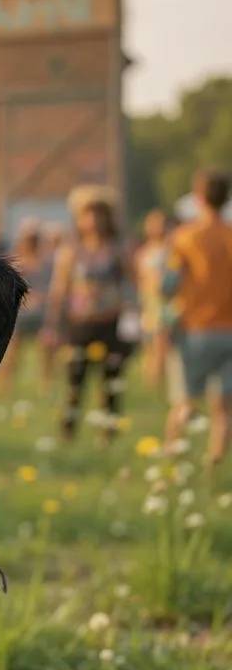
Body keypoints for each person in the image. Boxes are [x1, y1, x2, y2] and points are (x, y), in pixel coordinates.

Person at [46, 196, 131, 441]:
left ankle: (108, 432)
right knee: (75, 380)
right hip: (80, 323)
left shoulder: (117, 249)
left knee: (111, 381)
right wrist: (53, 324)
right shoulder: (71, 250)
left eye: (98, 214)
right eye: (87, 215)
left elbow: (130, 283)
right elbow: (60, 288)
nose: (93, 220)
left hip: (110, 322)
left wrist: (134, 313)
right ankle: (68, 431)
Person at [164, 170, 232, 467]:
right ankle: (214, 464)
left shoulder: (185, 237)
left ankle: (171, 458)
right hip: (230, 329)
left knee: (186, 401)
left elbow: (169, 284)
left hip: (196, 329)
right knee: (224, 408)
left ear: (199, 198)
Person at [0, 218, 54, 394]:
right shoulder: (15, 262)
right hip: (20, 315)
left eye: (34, 238)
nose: (32, 242)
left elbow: (52, 287)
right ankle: (5, 387)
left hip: (41, 314)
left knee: (45, 352)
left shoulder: (47, 262)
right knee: (11, 353)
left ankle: (45, 385)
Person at [134, 208, 173, 389]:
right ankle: (151, 381)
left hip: (166, 302)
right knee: (149, 344)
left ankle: (158, 380)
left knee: (162, 342)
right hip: (149, 302)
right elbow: (139, 278)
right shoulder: (143, 252)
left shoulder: (171, 249)